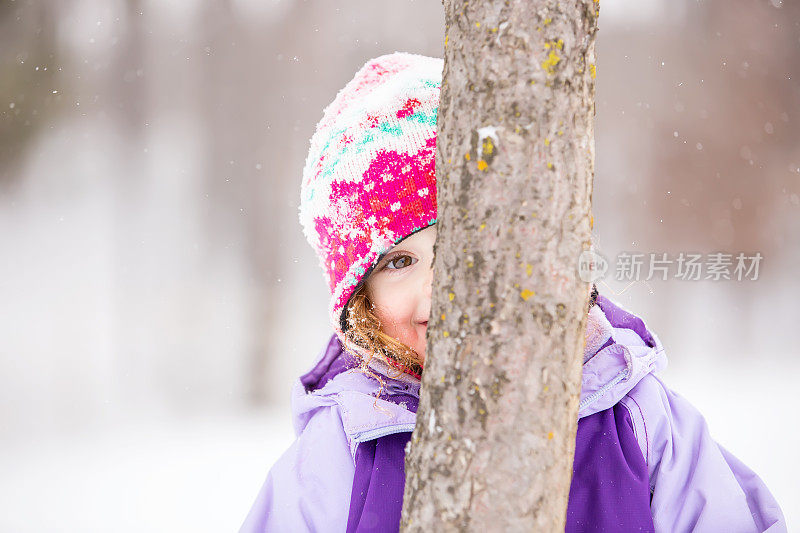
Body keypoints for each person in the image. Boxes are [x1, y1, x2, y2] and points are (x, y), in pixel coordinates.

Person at [240, 52, 786, 532]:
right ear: (362, 303)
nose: (444, 286)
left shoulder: (629, 412)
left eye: (464, 242)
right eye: (401, 262)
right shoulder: (345, 451)